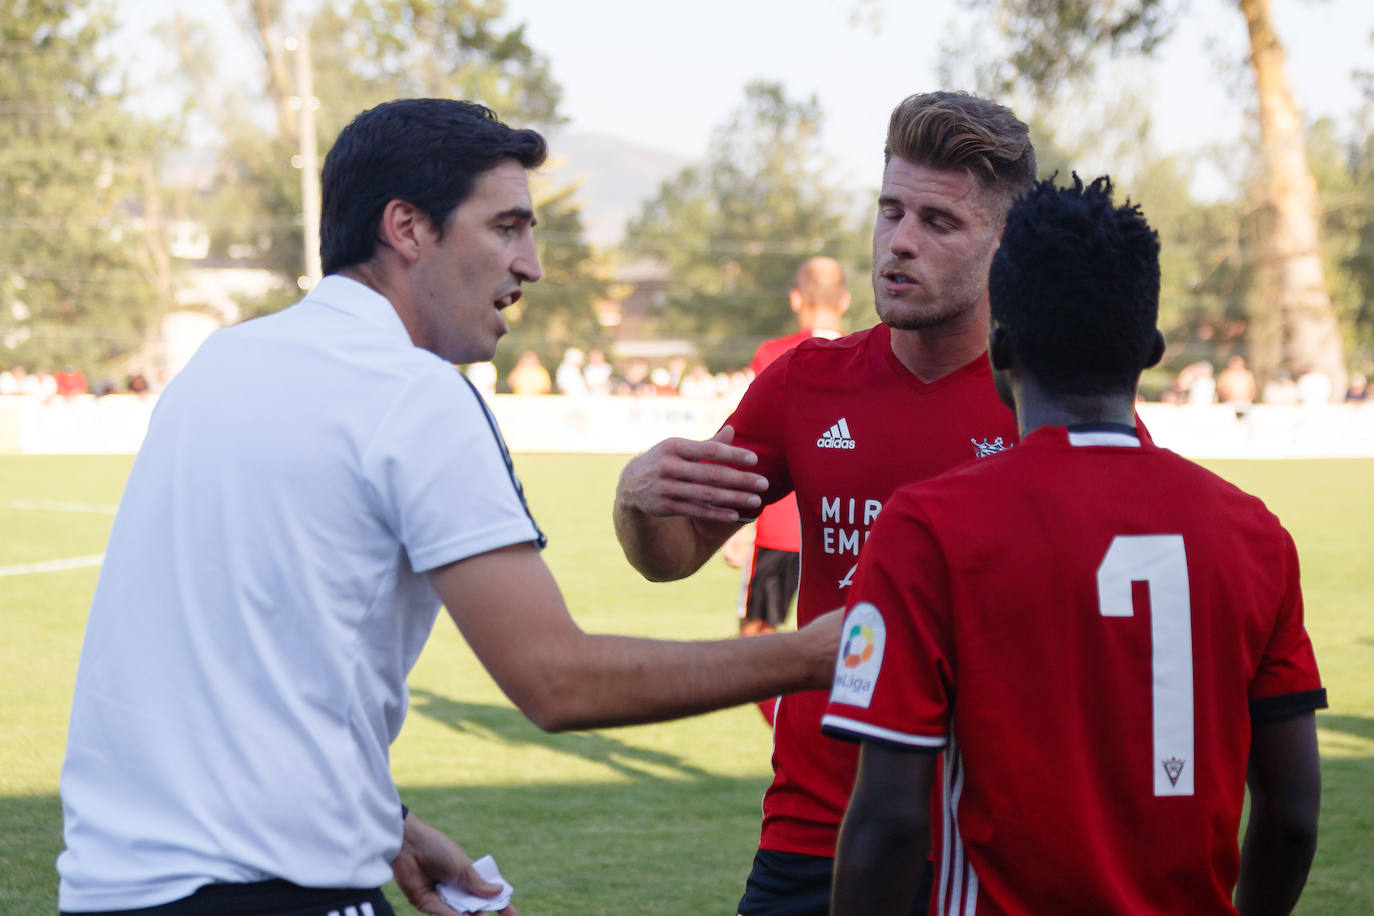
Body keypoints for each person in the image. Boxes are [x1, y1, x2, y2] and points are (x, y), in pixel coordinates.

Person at [57, 99, 842, 916]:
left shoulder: (222, 361)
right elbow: (557, 682)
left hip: (107, 888)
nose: (531, 265)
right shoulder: (416, 394)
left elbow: (244, 658)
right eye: (506, 227)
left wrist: (384, 819)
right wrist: (815, 653)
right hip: (277, 890)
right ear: (406, 228)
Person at [826, 176, 1325, 915]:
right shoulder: (1256, 535)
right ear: (1150, 350)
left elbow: (891, 823)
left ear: (1000, 346)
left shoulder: (928, 526)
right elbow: (1291, 814)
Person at [613, 91, 1035, 915]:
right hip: (816, 831)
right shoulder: (804, 384)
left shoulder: (1050, 396)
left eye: (939, 223)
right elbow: (670, 559)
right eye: (890, 211)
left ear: (1003, 242)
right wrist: (637, 500)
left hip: (993, 840)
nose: (899, 242)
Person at [724, 256, 851, 727]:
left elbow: (751, 449)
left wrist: (738, 527)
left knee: (756, 639)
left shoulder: (773, 354)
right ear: (845, 300)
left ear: (796, 298)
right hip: (849, 526)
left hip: (780, 527)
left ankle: (793, 732)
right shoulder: (872, 353)